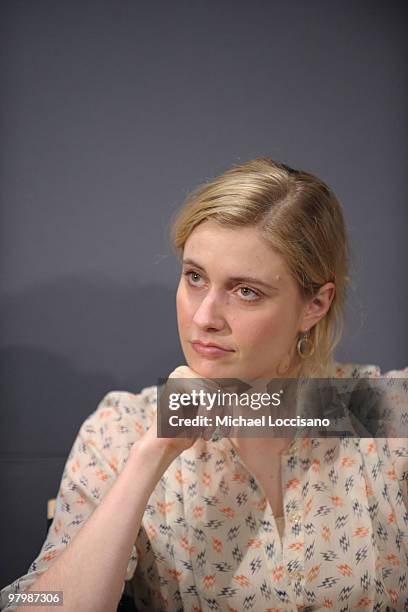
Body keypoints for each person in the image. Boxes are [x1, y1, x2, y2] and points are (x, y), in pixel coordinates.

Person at [1, 158, 407, 612]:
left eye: (245, 291)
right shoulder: (120, 430)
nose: (203, 318)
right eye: (195, 277)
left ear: (314, 304)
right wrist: (153, 453)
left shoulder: (381, 408)